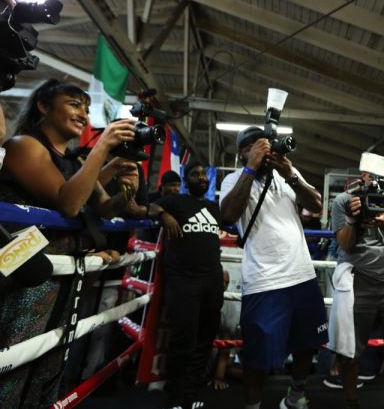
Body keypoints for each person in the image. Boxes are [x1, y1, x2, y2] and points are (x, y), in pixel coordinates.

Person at [0, 79, 137, 409]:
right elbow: (70, 203)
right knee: (13, 363)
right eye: (74, 104)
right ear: (43, 107)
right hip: (23, 278)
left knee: (49, 362)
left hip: (62, 275)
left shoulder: (75, 162)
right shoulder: (24, 145)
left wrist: (128, 188)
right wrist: (102, 147)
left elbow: (102, 207)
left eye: (87, 109)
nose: (83, 114)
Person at [219, 126, 327, 409]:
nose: (264, 150)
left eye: (265, 145)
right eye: (255, 146)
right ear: (243, 153)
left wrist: (291, 174)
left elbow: (316, 205)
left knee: (307, 344)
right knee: (257, 357)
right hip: (264, 282)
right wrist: (252, 168)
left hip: (302, 275)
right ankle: (253, 405)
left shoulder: (286, 175)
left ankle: (295, 395)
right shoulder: (233, 180)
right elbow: (228, 214)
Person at [330, 152, 384, 409]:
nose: (376, 183)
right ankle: (352, 402)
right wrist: (352, 220)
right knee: (349, 348)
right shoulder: (343, 201)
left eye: (382, 179)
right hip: (357, 280)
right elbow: (344, 245)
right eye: (373, 178)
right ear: (363, 176)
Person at [147, 161, 224, 409]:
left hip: (211, 280)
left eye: (203, 174)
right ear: (186, 179)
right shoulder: (176, 202)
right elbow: (148, 207)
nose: (201, 177)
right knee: (183, 341)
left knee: (205, 339)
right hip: (183, 281)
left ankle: (191, 394)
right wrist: (164, 214)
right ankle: (175, 397)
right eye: (195, 174)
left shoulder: (214, 207)